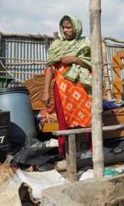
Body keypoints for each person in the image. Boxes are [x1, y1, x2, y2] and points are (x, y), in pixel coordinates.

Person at [42, 15, 92, 156]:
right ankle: (64, 154)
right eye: (63, 27)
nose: (65, 30)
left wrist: (75, 59)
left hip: (83, 88)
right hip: (62, 90)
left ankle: (92, 151)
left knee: (89, 120)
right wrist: (46, 92)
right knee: (63, 122)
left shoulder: (86, 43)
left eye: (69, 27)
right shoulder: (57, 45)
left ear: (76, 28)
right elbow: (50, 69)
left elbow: (93, 63)